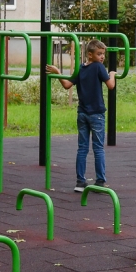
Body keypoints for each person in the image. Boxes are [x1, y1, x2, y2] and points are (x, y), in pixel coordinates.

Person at [47, 39, 117, 192]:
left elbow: (67, 85)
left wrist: (58, 72)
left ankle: (80, 182)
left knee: (82, 148)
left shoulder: (80, 68)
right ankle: (100, 181)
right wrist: (112, 74)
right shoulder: (98, 67)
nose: (102, 57)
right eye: (99, 54)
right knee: (98, 148)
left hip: (82, 114)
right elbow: (111, 85)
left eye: (103, 54)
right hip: (97, 114)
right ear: (90, 54)